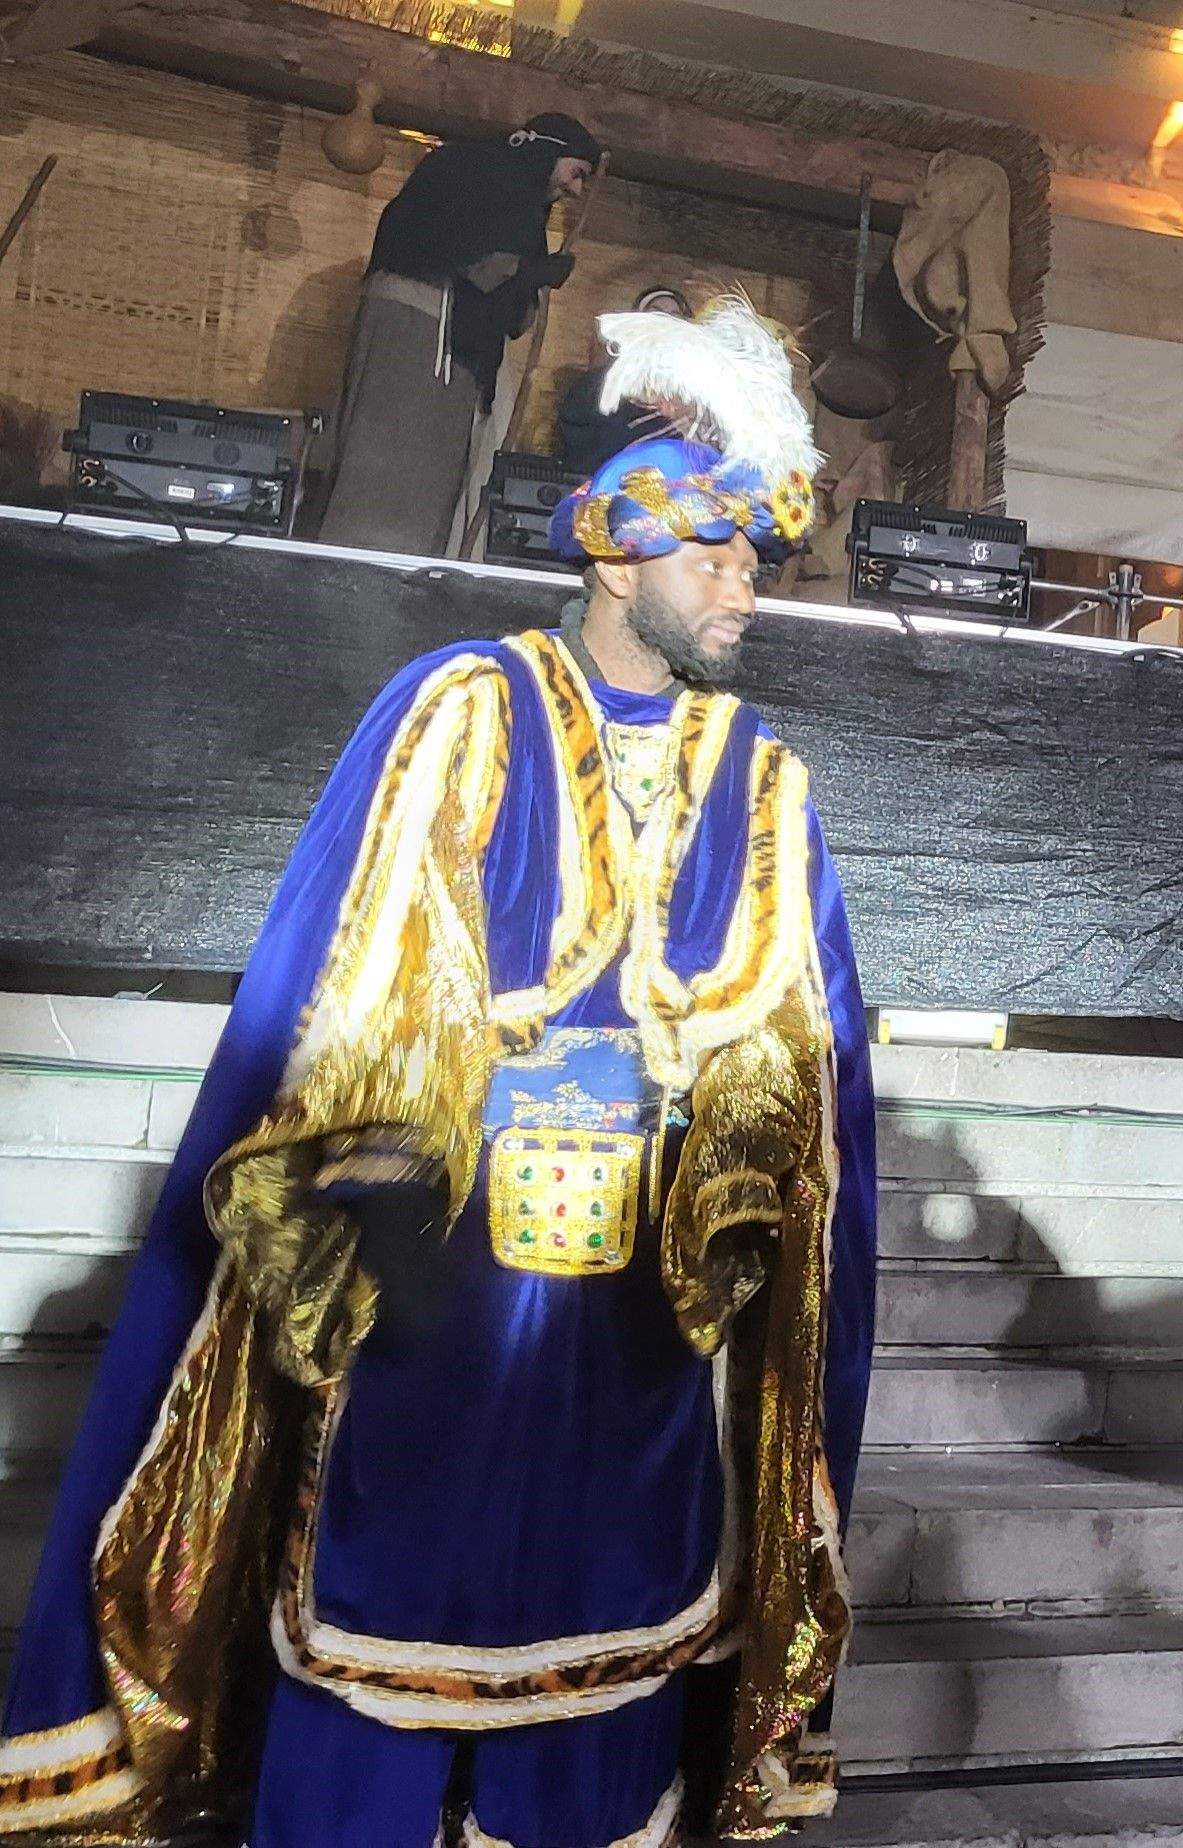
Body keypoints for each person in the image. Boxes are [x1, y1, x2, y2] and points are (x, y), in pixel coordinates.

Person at [0, 292, 869, 1845]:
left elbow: (808, 1055)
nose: (747, 579)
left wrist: (737, 1155)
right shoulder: (466, 706)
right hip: (452, 1287)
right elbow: (357, 991)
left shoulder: (775, 784)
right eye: (714, 545)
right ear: (611, 544)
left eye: (762, 553)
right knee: (383, 1633)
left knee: (620, 1644)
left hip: (649, 1314)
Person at [319, 112, 599, 556]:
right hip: (423, 337)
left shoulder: (510, 191)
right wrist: (529, 272)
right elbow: (472, 258)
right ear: (547, 151)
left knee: (418, 475)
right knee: (395, 472)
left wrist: (529, 276)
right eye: (576, 172)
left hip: (437, 340)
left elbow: (502, 293)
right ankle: (371, 573)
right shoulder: (484, 174)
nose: (576, 189)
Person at [556, 283, 689, 474]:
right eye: (655, 314)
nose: (664, 322)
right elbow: (578, 453)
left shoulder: (695, 399)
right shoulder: (597, 387)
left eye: (675, 317)